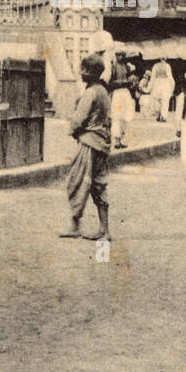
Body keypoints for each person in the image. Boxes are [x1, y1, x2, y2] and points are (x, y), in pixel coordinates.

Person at [62, 54, 110, 240]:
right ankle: (104, 230)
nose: (81, 73)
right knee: (98, 185)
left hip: (89, 143)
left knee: (77, 182)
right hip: (101, 143)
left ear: (90, 72)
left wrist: (73, 130)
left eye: (83, 69)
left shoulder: (91, 92)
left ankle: (75, 226)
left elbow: (78, 119)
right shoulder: (103, 91)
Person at [108, 53, 136, 149]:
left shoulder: (127, 67)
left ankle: (122, 139)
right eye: (119, 55)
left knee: (125, 116)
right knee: (116, 116)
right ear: (116, 55)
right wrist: (120, 82)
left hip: (125, 93)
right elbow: (110, 82)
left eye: (123, 55)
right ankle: (116, 140)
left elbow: (131, 81)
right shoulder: (113, 67)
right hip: (117, 93)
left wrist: (131, 80)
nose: (122, 57)